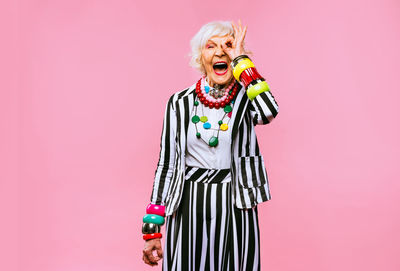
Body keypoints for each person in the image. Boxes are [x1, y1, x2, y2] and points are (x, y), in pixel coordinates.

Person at [141, 20, 279, 270]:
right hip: (188, 201)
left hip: (236, 201)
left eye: (228, 45)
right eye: (210, 46)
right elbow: (167, 164)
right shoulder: (179, 103)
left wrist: (243, 63)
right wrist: (152, 229)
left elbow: (269, 111)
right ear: (200, 57)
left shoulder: (247, 98)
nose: (220, 52)